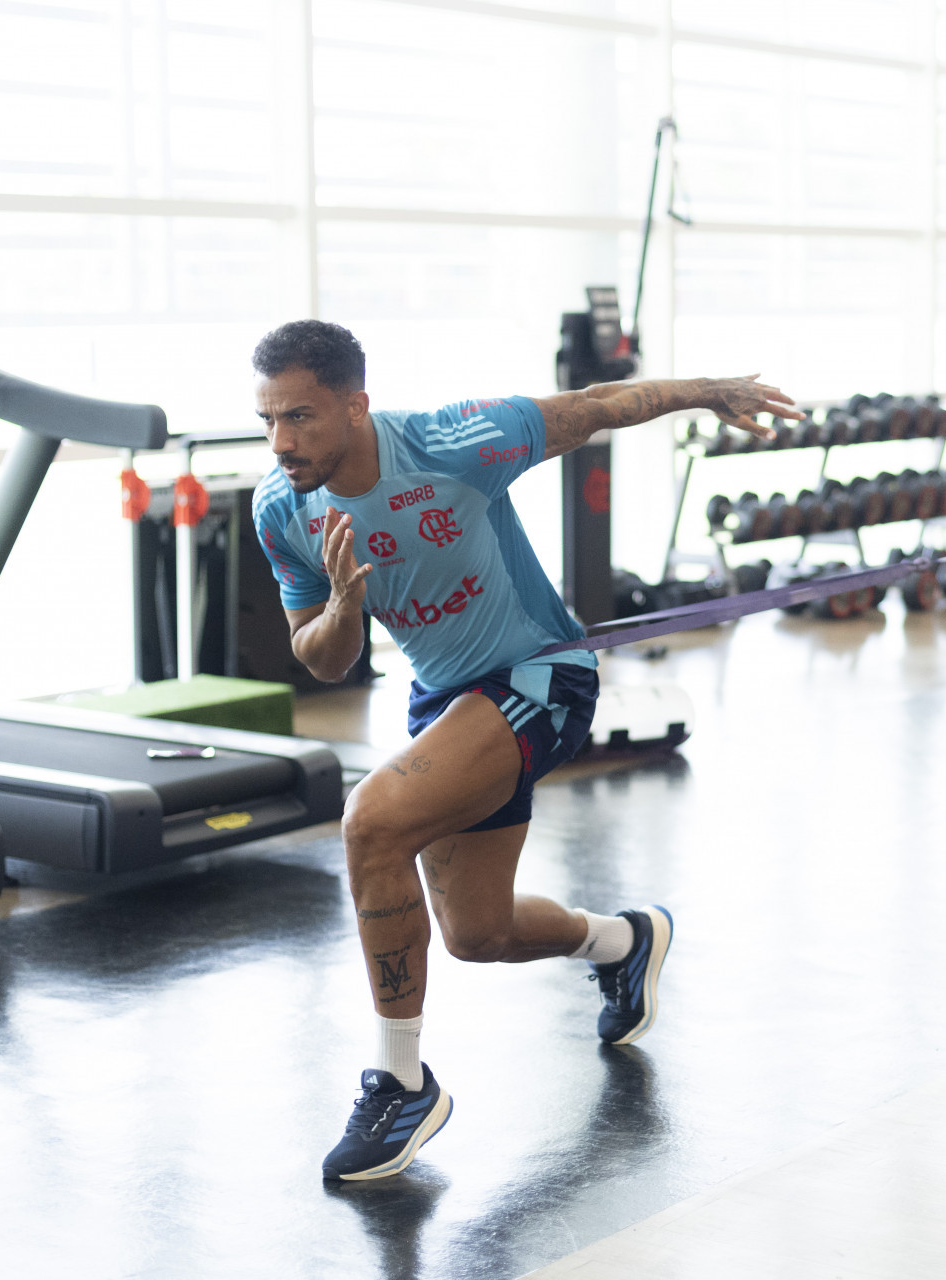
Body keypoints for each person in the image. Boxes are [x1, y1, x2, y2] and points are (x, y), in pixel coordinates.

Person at [250, 320, 798, 1181]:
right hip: (447, 699)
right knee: (478, 933)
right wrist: (346, 608)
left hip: (540, 674)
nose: (282, 442)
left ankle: (403, 1086)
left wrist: (708, 390)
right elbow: (319, 655)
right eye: (269, 420)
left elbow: (591, 407)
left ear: (356, 406)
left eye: (302, 418)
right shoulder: (283, 509)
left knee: (371, 824)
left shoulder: (452, 442)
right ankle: (624, 943)